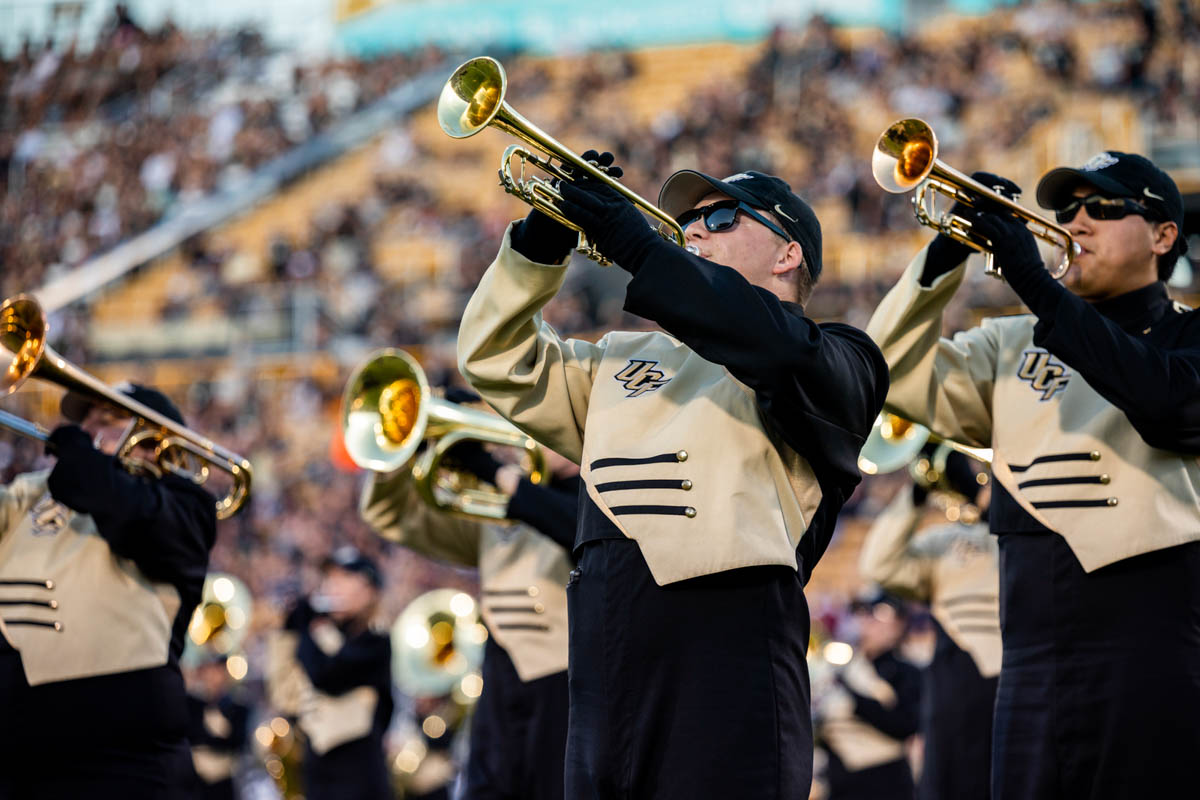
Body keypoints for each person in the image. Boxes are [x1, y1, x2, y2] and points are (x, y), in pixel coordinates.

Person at [457, 154, 888, 798]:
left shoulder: (841, 356)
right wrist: (539, 244)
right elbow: (495, 359)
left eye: (722, 217)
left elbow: (773, 345)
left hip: (727, 644)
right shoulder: (623, 357)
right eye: (687, 221)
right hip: (602, 649)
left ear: (788, 253)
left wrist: (641, 249)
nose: (694, 230)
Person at [866, 154, 1200, 799]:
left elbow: (1168, 405)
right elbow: (885, 374)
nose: (1076, 222)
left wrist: (1035, 282)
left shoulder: (1188, 335)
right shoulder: (1010, 344)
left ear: (1163, 236)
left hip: (1152, 640)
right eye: (1068, 209)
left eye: (1103, 208)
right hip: (1030, 653)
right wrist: (944, 257)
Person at [0, 384, 218, 798]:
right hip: (19, 765)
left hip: (124, 767)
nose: (87, 430)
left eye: (108, 420)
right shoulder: (32, 491)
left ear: (157, 440)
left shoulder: (186, 502)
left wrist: (83, 460)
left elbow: (132, 514)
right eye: (85, 421)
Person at [359, 423, 580, 800]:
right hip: (501, 670)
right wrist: (407, 446)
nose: (537, 434)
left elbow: (571, 524)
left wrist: (494, 470)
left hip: (562, 676)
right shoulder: (499, 508)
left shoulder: (593, 494)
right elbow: (396, 517)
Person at [858, 448, 999, 800]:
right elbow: (878, 565)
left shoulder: (1032, 539)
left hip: (1023, 674)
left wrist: (994, 506)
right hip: (957, 685)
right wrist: (918, 491)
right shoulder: (947, 541)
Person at [275, 547, 393, 800]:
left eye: (345, 578)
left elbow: (327, 675)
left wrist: (307, 630)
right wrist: (288, 630)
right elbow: (283, 694)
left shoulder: (376, 642)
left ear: (369, 591)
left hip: (359, 777)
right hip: (316, 772)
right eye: (329, 577)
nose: (332, 585)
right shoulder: (321, 633)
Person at [813, 589, 920, 800]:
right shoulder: (843, 664)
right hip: (840, 778)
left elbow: (905, 725)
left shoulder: (906, 671)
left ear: (899, 624)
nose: (869, 621)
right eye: (864, 613)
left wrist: (854, 700)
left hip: (885, 780)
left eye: (881, 614)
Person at [184, 655, 251, 800]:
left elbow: (238, 742)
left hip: (225, 779)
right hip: (197, 780)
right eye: (210, 671)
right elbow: (189, 736)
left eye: (218, 671)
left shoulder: (237, 706)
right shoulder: (193, 704)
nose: (213, 677)